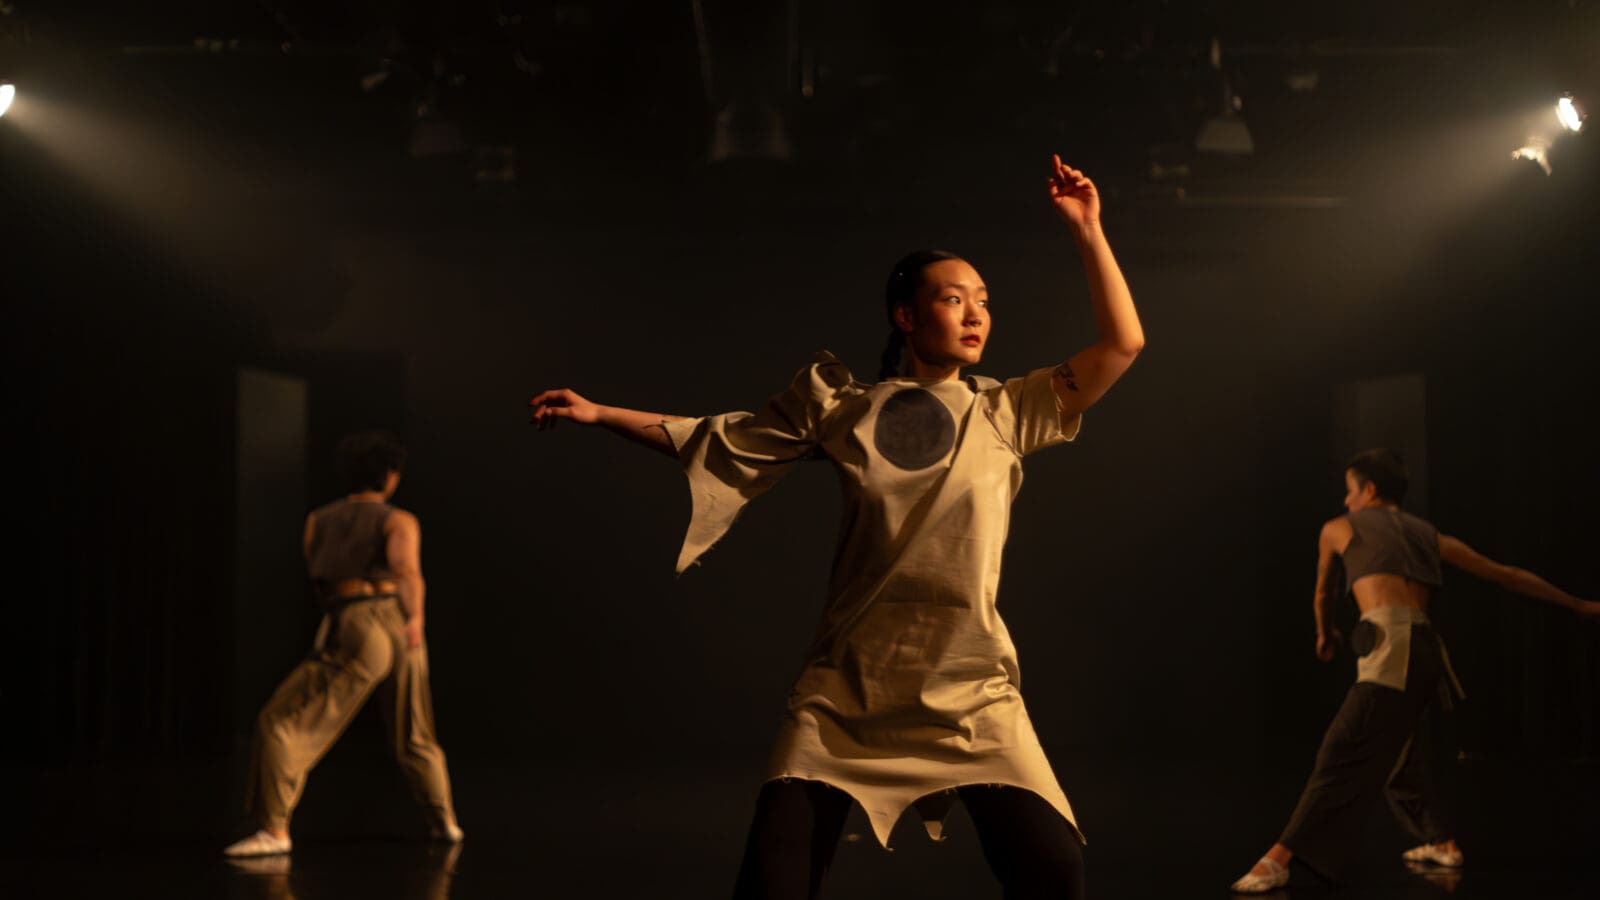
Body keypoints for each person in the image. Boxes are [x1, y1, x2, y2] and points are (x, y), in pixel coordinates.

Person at [529, 155, 1143, 899]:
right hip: (848, 686)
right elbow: (716, 437)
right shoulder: (842, 407)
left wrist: (1088, 231)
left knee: (1054, 868)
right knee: (773, 884)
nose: (976, 314)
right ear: (906, 317)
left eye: (983, 300)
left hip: (970, 687)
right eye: (954, 299)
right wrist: (599, 413)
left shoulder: (1007, 411)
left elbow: (1121, 346)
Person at [1230, 448, 1599, 892]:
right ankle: (1441, 843)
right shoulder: (1430, 535)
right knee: (1398, 753)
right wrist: (1579, 605)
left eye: (1350, 491)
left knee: (1340, 750)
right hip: (1427, 653)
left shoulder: (1338, 528)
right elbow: (1507, 574)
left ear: (1369, 490)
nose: (1346, 501)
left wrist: (1325, 635)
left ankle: (1279, 859)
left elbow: (1324, 592)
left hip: (1392, 649)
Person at [224, 431, 463, 857]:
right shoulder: (398, 520)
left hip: (357, 622)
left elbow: (322, 580)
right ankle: (443, 820)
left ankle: (273, 828)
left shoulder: (319, 520)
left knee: (281, 721)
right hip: (401, 622)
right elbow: (406, 571)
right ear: (390, 477)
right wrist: (415, 621)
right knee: (415, 732)